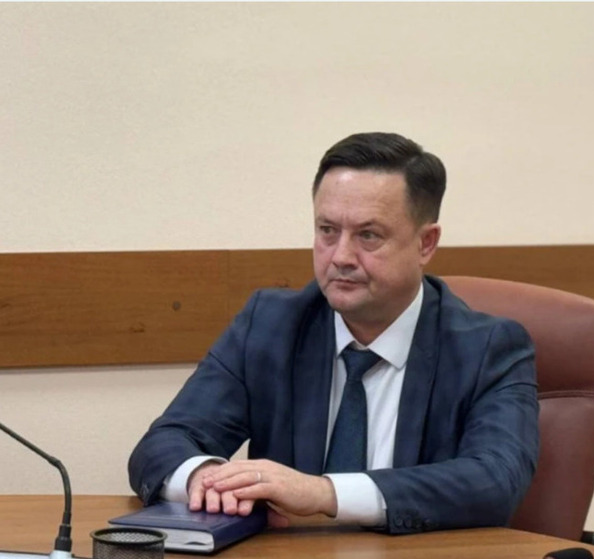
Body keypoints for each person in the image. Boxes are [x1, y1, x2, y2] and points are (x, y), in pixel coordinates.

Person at [128, 132, 539, 534]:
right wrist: (206, 478)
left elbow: (496, 480)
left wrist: (323, 493)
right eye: (327, 230)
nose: (341, 256)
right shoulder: (270, 326)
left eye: (368, 235)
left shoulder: (488, 349)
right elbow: (164, 443)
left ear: (425, 244)